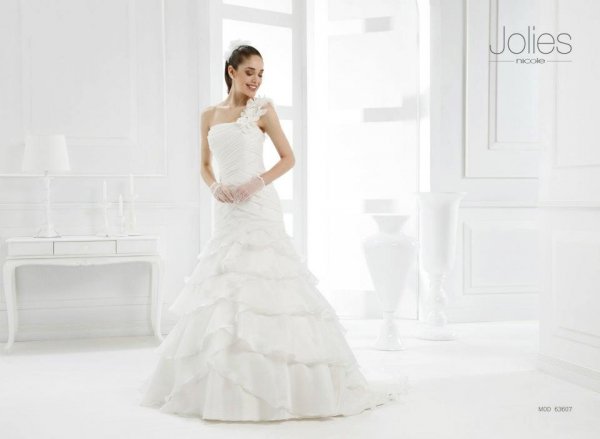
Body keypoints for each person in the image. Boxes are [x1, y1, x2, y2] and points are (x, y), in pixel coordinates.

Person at [139, 39, 408, 421]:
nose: (256, 80)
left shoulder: (263, 110)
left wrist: (256, 183)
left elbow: (288, 158)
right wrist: (214, 187)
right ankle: (222, 380)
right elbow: (204, 164)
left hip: (259, 205)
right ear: (231, 71)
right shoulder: (209, 115)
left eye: (261, 74)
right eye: (249, 72)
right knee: (226, 285)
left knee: (269, 282)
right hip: (227, 210)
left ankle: (282, 382)